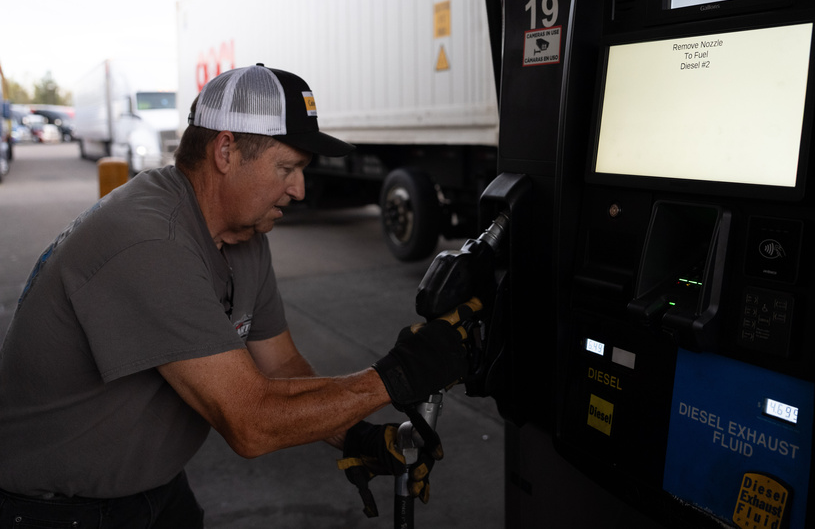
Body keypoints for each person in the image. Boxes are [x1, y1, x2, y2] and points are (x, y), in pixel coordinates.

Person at [0, 64, 473, 528]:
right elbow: (252, 423)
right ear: (225, 151)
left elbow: (282, 370)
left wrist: (358, 436)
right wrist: (394, 377)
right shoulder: (150, 240)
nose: (300, 189)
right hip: (55, 510)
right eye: (287, 167)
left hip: (153, 490)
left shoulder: (244, 237)